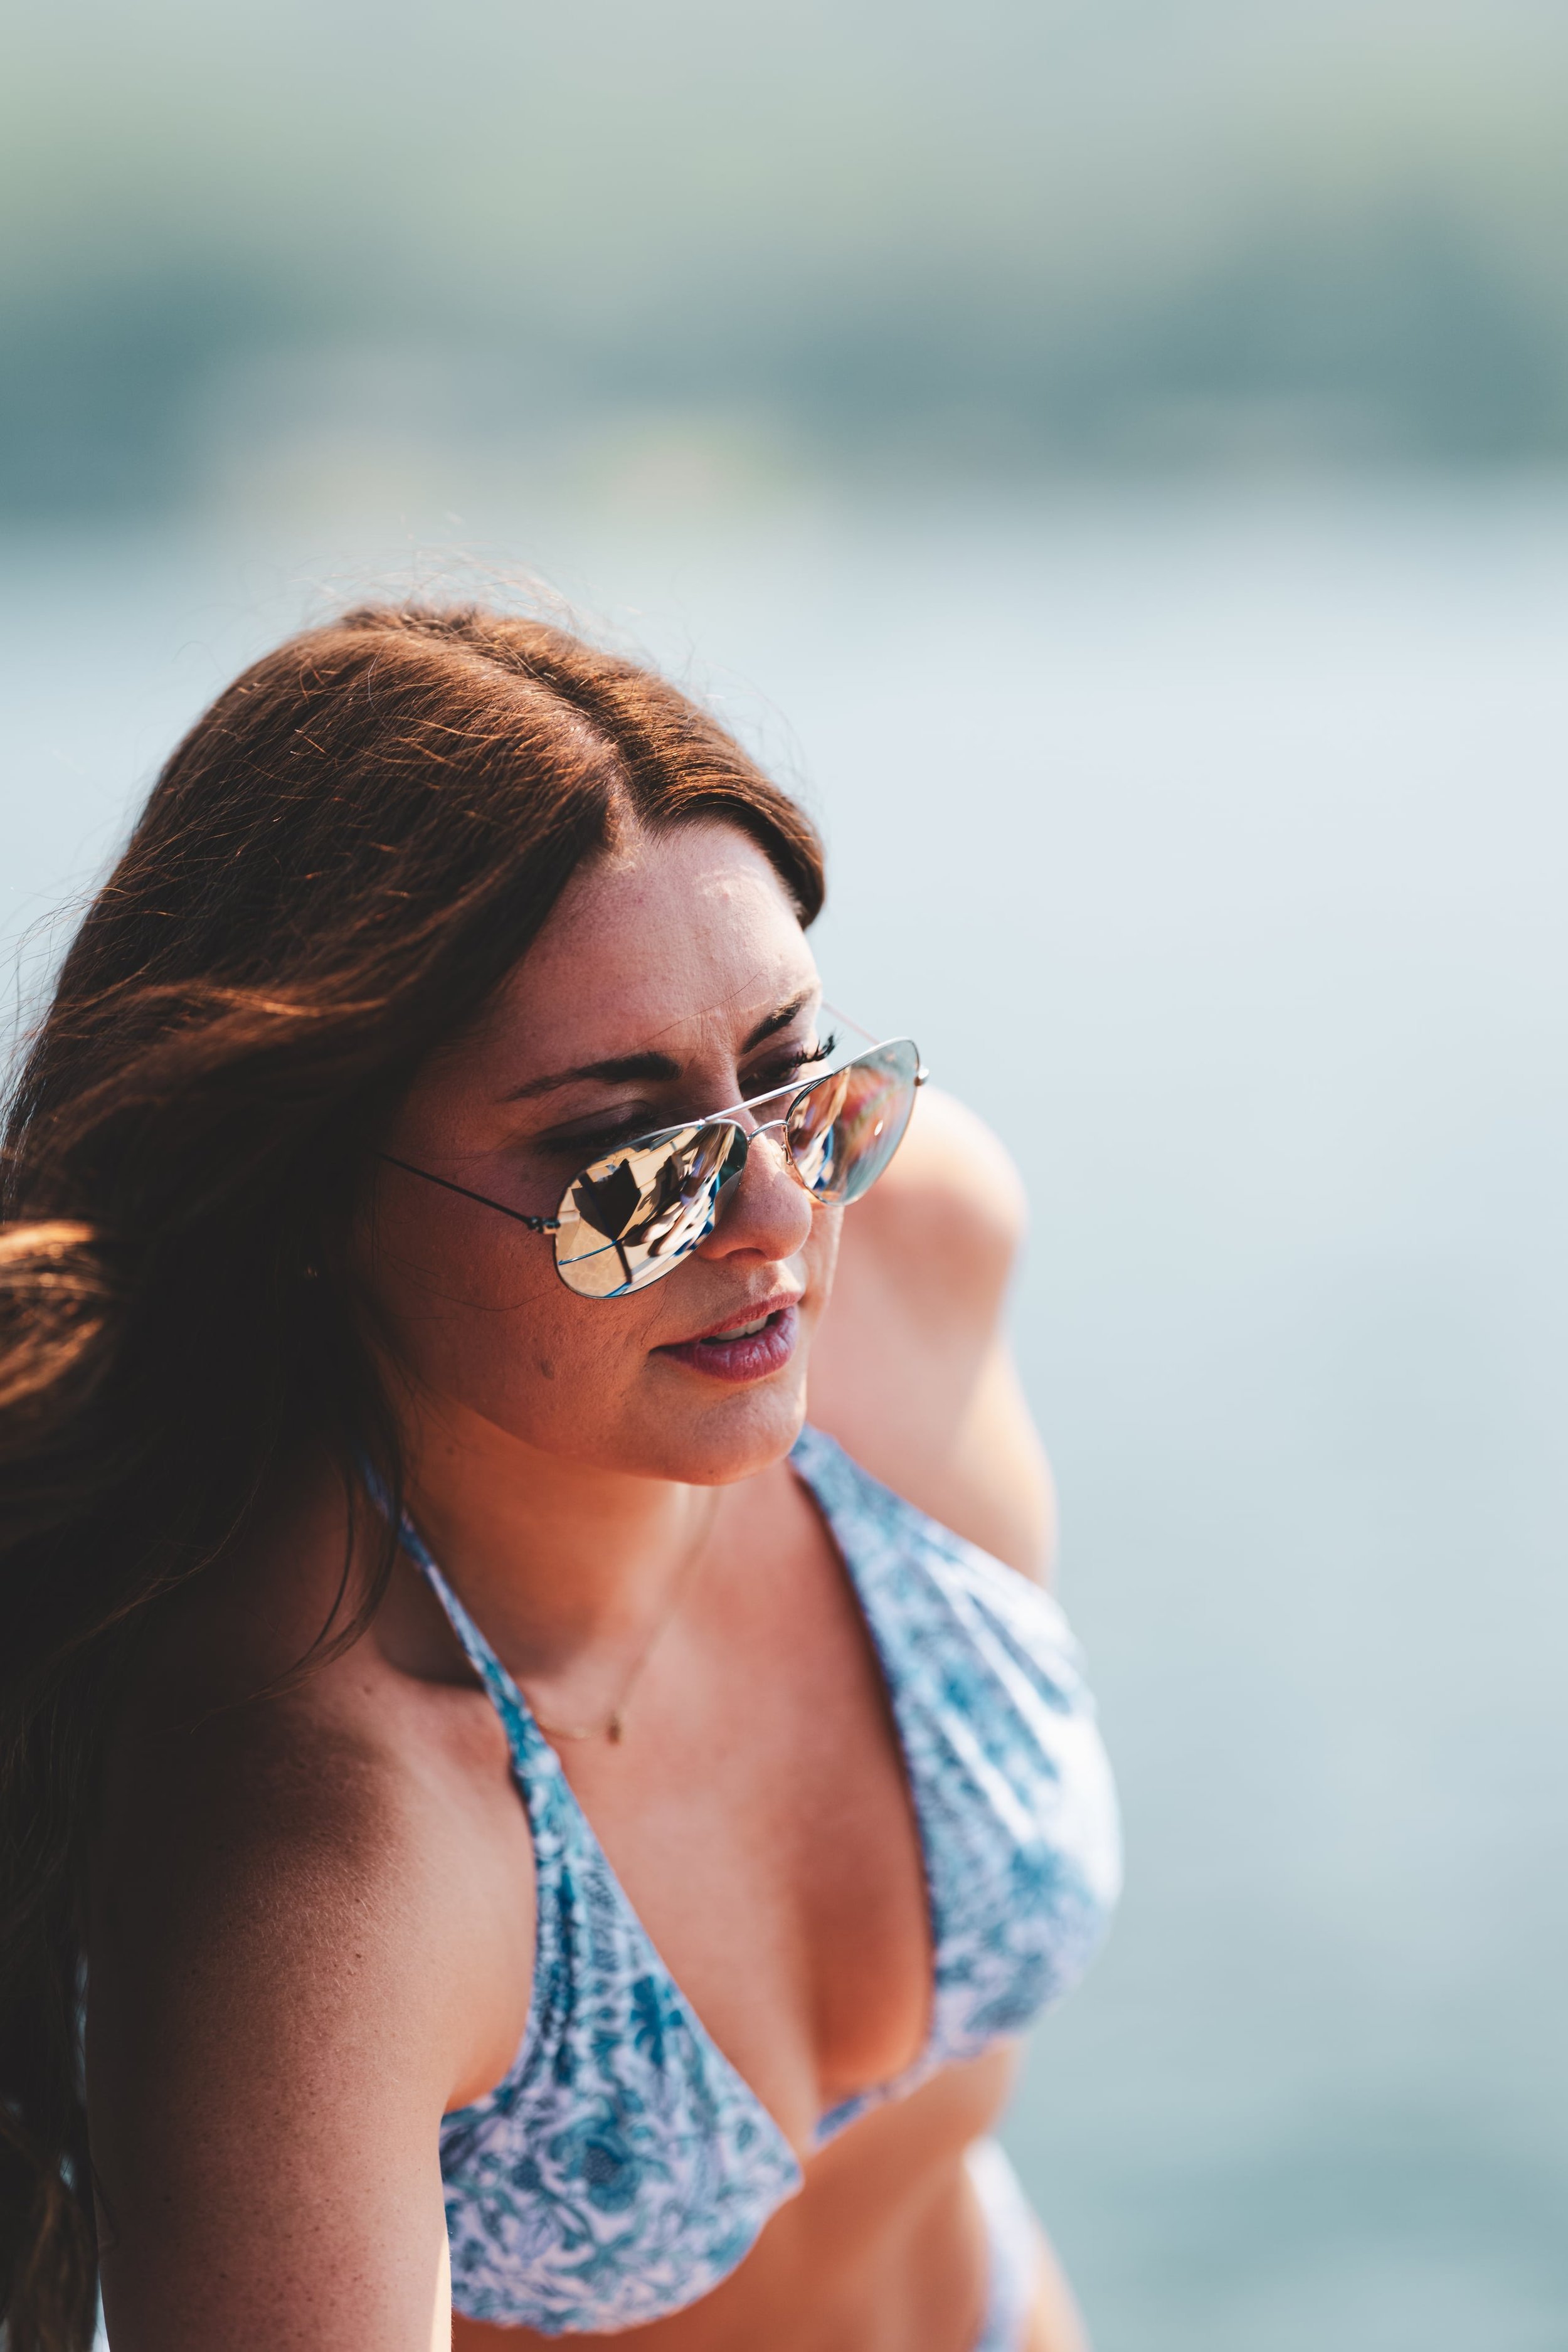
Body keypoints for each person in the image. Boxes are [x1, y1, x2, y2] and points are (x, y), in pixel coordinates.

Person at [0, 605, 1120, 2352]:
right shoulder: (315, 1847)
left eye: (790, 1075)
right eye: (623, 1163)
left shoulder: (906, 1249)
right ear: (310, 1204)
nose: (773, 1224)